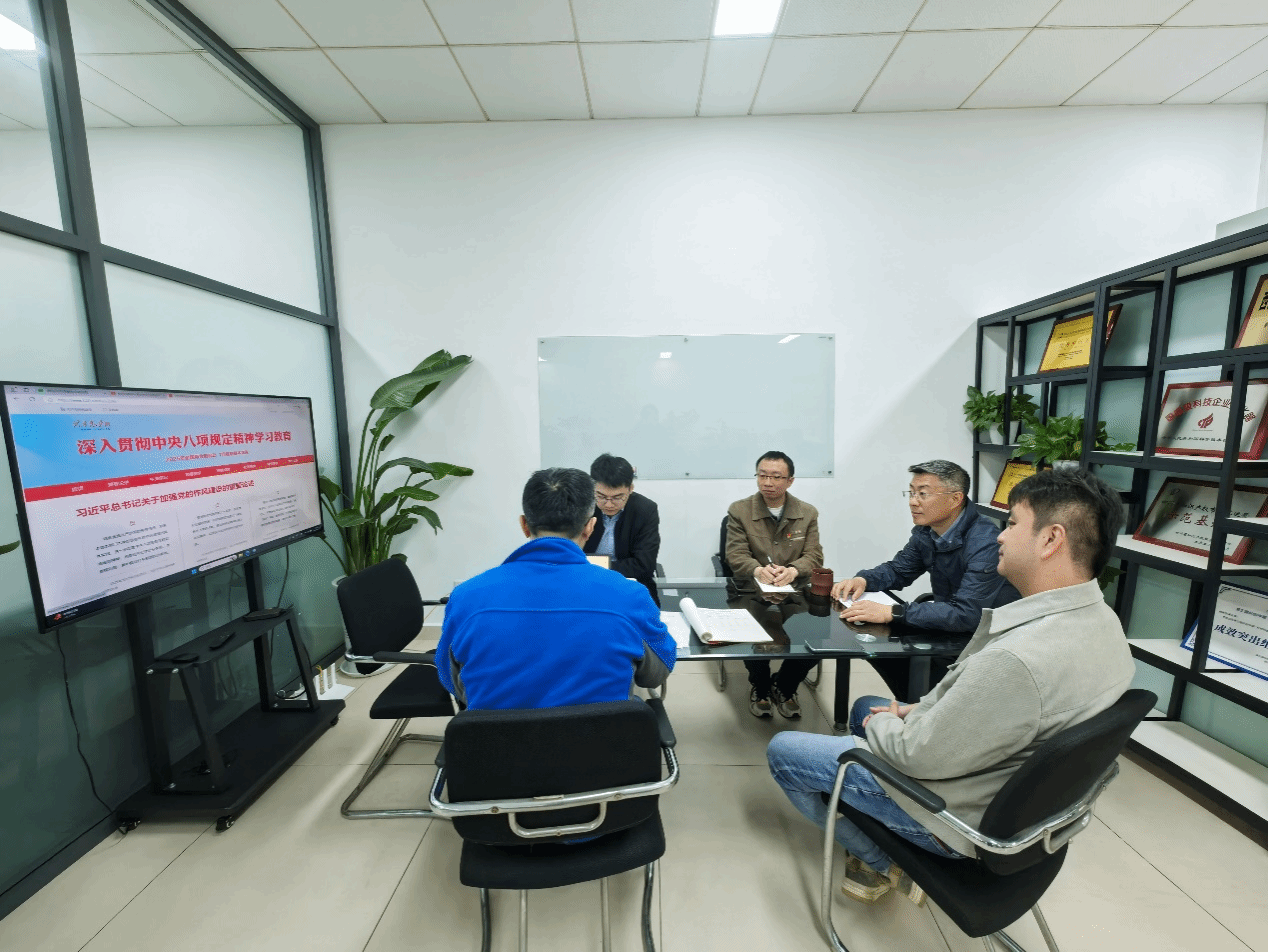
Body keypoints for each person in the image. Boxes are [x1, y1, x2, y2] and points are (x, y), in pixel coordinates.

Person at [768, 467, 1134, 905]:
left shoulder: (1016, 659)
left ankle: (883, 860)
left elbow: (914, 754)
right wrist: (914, 711)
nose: (1001, 536)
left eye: (1012, 524)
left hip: (955, 814)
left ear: (1051, 539)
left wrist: (885, 724)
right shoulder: (1105, 623)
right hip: (1008, 784)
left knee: (787, 750)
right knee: (868, 704)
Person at [436, 467, 676, 710]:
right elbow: (655, 675)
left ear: (524, 525)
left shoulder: (466, 597)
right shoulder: (630, 597)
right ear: (590, 527)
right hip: (603, 734)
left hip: (494, 734)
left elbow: (451, 682)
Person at [831, 459, 1020, 700]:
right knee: (870, 642)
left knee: (886, 643)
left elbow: (967, 614)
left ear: (955, 499)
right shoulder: (927, 531)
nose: (913, 501)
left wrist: (894, 611)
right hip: (949, 626)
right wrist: (863, 580)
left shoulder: (985, 543)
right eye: (911, 493)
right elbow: (899, 570)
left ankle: (924, 706)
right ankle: (917, 705)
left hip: (983, 639)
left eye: (923, 494)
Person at [726, 450, 824, 719]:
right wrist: (758, 570)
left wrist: (793, 570)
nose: (768, 482)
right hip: (752, 589)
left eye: (776, 477)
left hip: (796, 589)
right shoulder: (739, 510)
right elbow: (735, 555)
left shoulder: (807, 513)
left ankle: (785, 685)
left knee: (818, 632)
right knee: (749, 628)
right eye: (762, 475)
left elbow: (814, 556)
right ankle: (760, 686)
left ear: (790, 480)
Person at [581, 453, 661, 606]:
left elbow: (644, 565)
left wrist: (594, 566)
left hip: (630, 588)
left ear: (630, 489)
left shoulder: (645, 510)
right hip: (587, 586)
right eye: (601, 496)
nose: (608, 504)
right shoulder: (581, 507)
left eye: (617, 497)